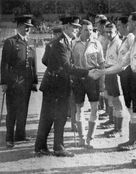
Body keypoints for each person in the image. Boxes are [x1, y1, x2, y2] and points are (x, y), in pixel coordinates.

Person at [94, 12, 136, 166]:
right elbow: (122, 63)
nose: (127, 24)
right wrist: (103, 71)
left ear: (135, 23)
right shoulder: (135, 39)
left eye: (129, 22)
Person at [34, 16, 96, 157]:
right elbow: (67, 66)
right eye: (74, 27)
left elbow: (46, 60)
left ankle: (41, 146)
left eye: (77, 27)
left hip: (54, 83)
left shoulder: (63, 42)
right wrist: (87, 72)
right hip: (56, 86)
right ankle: (58, 148)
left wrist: (55, 69)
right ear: (66, 27)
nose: (77, 29)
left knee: (48, 117)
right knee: (59, 116)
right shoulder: (61, 43)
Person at [1, 15, 38, 148]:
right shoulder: (10, 42)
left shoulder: (31, 42)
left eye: (29, 27)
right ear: (19, 27)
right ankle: (9, 138)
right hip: (13, 82)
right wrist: (4, 82)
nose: (28, 29)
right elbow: (4, 64)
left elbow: (33, 64)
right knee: (12, 111)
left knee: (23, 109)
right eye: (25, 26)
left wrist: (34, 81)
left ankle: (20, 135)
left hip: (27, 82)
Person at [71, 19, 104, 148]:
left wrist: (102, 82)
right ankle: (81, 137)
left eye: (91, 30)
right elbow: (70, 63)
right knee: (79, 108)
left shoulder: (97, 44)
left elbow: (101, 63)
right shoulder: (74, 43)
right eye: (86, 30)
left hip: (93, 78)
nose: (89, 32)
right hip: (79, 78)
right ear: (80, 30)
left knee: (94, 108)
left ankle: (90, 138)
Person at [103, 22, 124, 138]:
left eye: (110, 32)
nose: (108, 34)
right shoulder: (110, 42)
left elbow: (120, 63)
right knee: (111, 99)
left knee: (117, 101)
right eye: (106, 32)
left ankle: (119, 129)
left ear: (116, 32)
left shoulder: (118, 43)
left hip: (115, 74)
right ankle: (114, 126)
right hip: (108, 72)